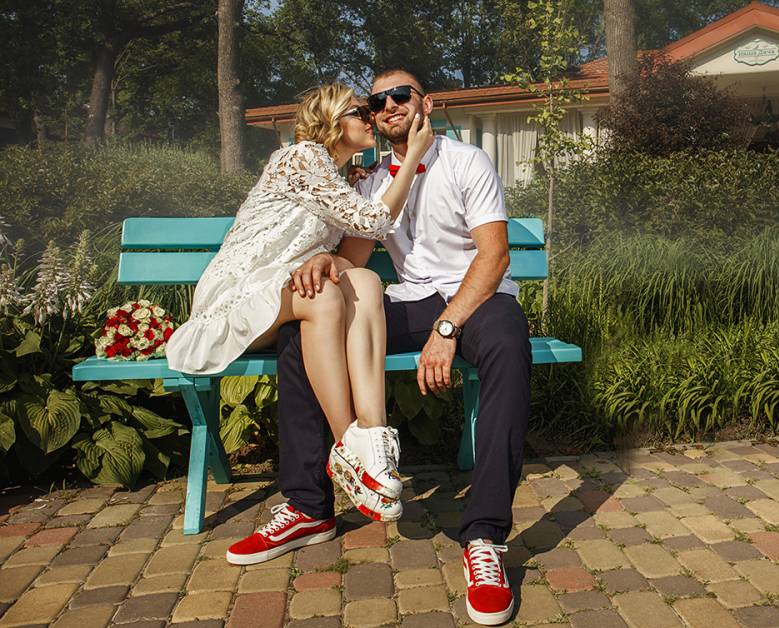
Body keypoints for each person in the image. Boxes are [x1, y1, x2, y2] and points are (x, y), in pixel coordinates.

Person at [286, 69, 531, 626]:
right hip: (412, 299)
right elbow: (352, 257)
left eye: (401, 95)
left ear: (427, 103)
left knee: (507, 346)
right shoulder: (371, 181)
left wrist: (447, 330)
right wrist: (326, 262)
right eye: (378, 101)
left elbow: (494, 257)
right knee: (304, 336)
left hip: (478, 298)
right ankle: (308, 505)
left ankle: (485, 537)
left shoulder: (466, 161)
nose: (390, 105)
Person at [164, 83, 435, 565]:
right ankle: (349, 446)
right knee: (324, 297)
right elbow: (373, 222)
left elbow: (345, 248)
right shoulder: (300, 157)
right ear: (331, 120)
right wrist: (411, 157)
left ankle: (373, 439)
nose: (372, 117)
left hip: (287, 295)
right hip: (240, 296)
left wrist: (334, 238)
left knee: (366, 282)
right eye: (361, 110)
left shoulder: (335, 174)